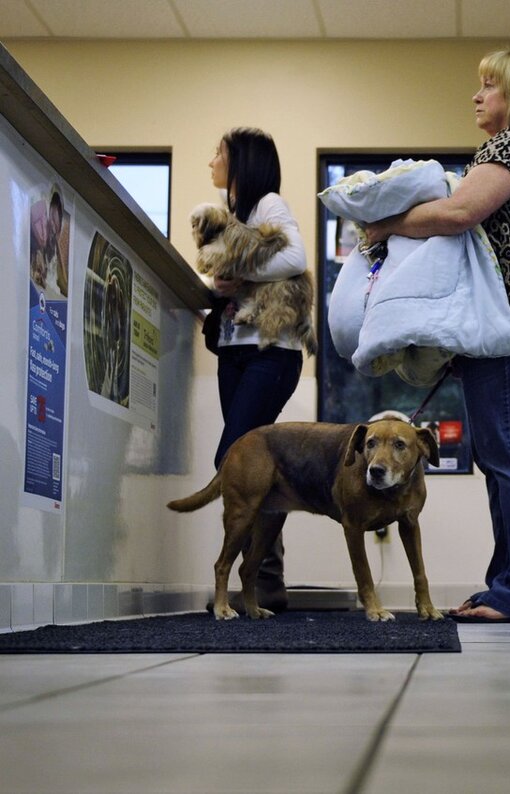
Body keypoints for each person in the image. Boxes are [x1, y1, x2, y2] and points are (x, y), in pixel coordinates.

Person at [364, 46, 510, 623]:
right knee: (499, 453)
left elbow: (458, 214)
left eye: (490, 85)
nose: (477, 95)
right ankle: (508, 584)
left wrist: (384, 225)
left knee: (509, 453)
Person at [207, 127, 310, 612]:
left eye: (220, 154)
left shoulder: (268, 203)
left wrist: (240, 272)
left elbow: (295, 256)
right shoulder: (236, 215)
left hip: (271, 352)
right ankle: (263, 584)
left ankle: (259, 579)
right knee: (251, 467)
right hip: (238, 351)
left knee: (233, 460)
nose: (211, 161)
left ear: (241, 163)